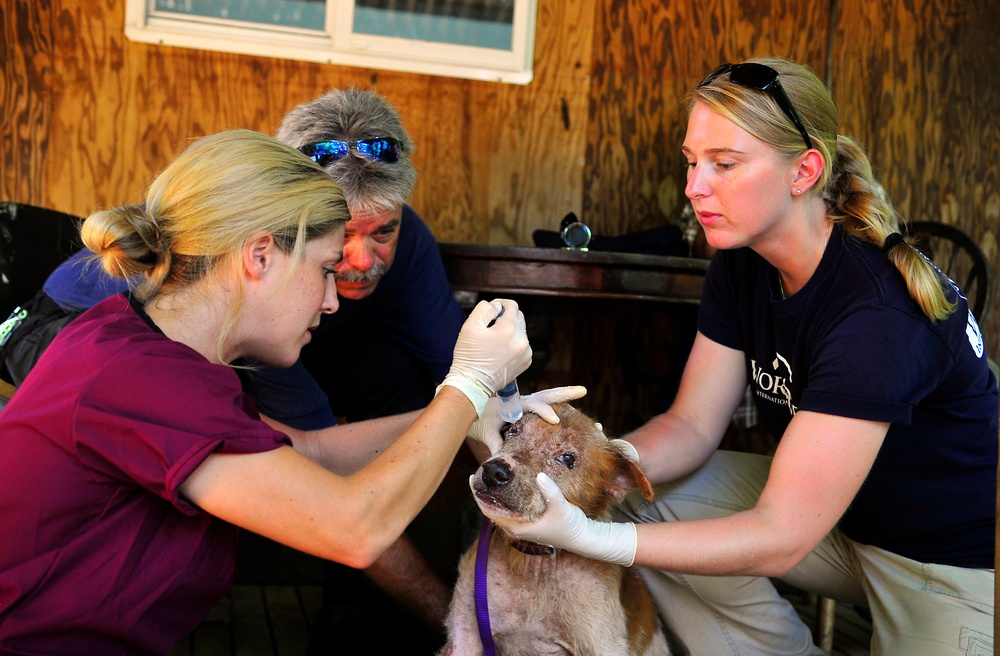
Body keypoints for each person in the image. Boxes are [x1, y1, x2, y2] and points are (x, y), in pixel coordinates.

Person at [0, 128, 584, 652]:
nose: (332, 300)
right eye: (326, 267)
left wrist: (471, 409)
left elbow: (311, 452)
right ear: (259, 256)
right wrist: (470, 380)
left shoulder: (151, 348)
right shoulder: (141, 377)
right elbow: (353, 527)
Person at [492, 57, 998, 655]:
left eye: (724, 165)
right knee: (649, 497)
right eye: (691, 162)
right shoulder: (742, 260)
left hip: (943, 562)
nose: (694, 187)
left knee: (620, 526)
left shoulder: (875, 316)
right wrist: (599, 461)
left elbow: (780, 535)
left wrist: (591, 537)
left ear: (803, 171)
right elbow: (692, 423)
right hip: (838, 525)